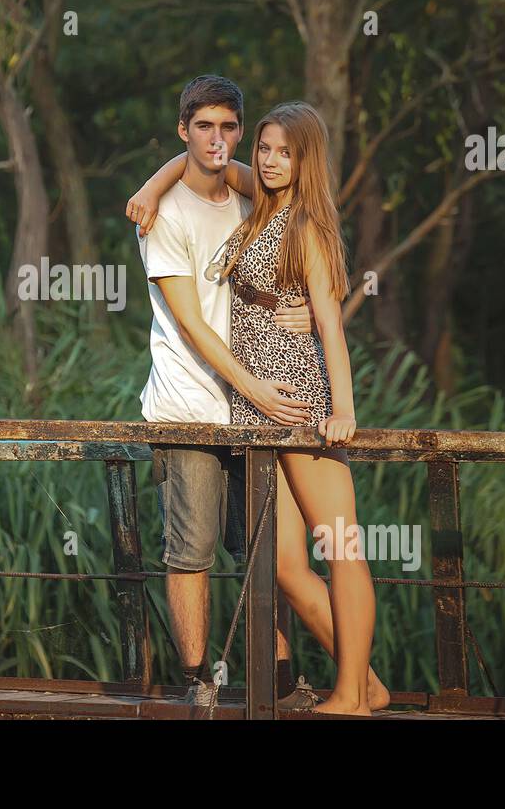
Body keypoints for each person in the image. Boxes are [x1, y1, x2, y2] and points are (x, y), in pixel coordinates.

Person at [128, 100, 388, 715]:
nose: (269, 161)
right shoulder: (263, 197)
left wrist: (341, 411)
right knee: (284, 566)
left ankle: (351, 695)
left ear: (307, 160)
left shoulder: (304, 223)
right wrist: (152, 183)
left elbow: (330, 327)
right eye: (265, 148)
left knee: (343, 547)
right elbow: (207, 159)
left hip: (297, 404)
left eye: (284, 152)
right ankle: (370, 683)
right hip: (256, 414)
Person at [132, 75, 317, 709]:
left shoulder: (249, 197)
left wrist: (312, 319)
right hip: (189, 405)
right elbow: (192, 323)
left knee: (265, 546)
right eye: (203, 126)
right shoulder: (163, 216)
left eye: (228, 126)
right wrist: (256, 389)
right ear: (183, 130)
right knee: (192, 548)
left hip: (254, 410)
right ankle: (197, 682)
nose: (218, 138)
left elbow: (305, 260)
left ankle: (279, 677)